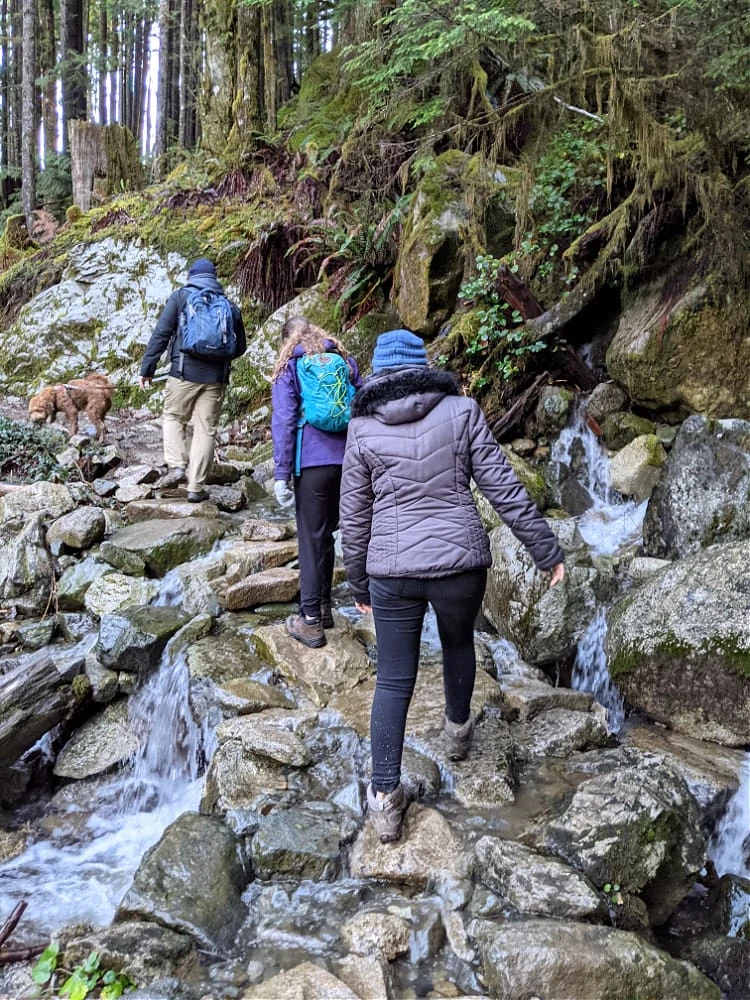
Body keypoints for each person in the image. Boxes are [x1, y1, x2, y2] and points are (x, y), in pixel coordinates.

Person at [339, 329, 565, 844]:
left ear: (376, 373)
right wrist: (545, 550)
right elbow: (502, 488)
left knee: (394, 679)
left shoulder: (362, 428)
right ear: (423, 366)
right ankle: (458, 733)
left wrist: (357, 581)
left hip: (391, 572)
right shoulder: (461, 411)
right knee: (459, 643)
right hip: (459, 564)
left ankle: (384, 800)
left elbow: (353, 515)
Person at [271, 316, 362, 649]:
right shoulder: (343, 359)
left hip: (311, 462)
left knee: (311, 538)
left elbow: (283, 420)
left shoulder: (290, 366)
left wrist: (281, 473)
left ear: (287, 340)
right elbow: (362, 404)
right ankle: (324, 607)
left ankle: (310, 621)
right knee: (328, 534)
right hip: (349, 460)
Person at [139, 258, 247, 502]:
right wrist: (217, 356)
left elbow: (161, 333)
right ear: (214, 277)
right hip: (216, 379)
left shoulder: (180, 297)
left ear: (192, 276)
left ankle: (177, 465)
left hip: (183, 373)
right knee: (205, 430)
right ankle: (196, 488)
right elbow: (240, 347)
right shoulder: (229, 305)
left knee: (173, 417)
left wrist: (148, 368)